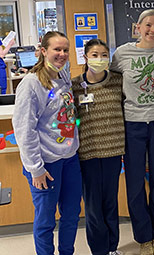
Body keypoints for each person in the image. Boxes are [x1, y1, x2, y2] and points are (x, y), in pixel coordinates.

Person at [12, 31, 81, 255]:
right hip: (46, 165)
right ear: (43, 51)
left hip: (69, 159)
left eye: (65, 50)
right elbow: (24, 130)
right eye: (56, 49)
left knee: (71, 216)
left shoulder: (63, 77)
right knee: (46, 221)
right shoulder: (31, 84)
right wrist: (35, 169)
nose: (61, 54)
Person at [110, 9, 154, 255]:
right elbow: (112, 85)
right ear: (138, 27)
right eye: (148, 25)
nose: (152, 30)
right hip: (133, 122)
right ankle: (144, 237)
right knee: (135, 182)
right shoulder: (122, 54)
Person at [71, 39, 125, 255]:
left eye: (104, 55)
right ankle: (99, 251)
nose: (100, 59)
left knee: (111, 203)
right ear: (85, 58)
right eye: (94, 55)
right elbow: (70, 119)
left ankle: (112, 248)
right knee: (93, 207)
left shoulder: (118, 82)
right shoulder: (75, 86)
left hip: (113, 151)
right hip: (88, 152)